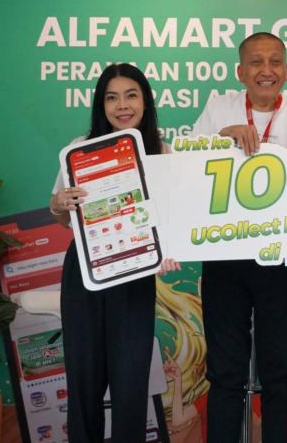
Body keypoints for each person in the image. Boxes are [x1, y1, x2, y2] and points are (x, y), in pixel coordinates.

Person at [189, 32, 287, 443]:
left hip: (281, 260)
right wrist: (222, 138)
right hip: (224, 255)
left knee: (279, 371)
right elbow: (187, 167)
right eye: (256, 62)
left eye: (275, 61)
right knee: (225, 372)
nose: (267, 70)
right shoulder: (218, 108)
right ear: (240, 71)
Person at [49, 63, 179, 443]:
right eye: (112, 97)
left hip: (135, 277)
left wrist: (169, 249)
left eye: (131, 95)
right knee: (84, 383)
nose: (122, 105)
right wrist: (58, 204)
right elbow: (64, 218)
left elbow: (173, 219)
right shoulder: (80, 147)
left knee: (130, 385)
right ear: (101, 104)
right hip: (85, 273)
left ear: (145, 101)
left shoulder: (163, 152)